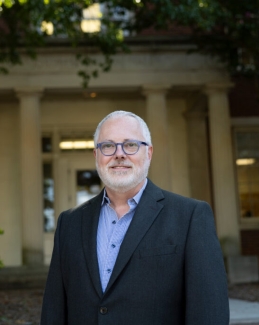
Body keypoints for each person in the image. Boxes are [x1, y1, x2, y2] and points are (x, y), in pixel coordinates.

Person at [41, 110, 229, 325]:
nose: (119, 154)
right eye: (108, 146)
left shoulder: (190, 217)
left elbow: (209, 312)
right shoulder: (70, 223)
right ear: (96, 156)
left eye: (130, 145)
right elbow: (54, 310)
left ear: (148, 153)